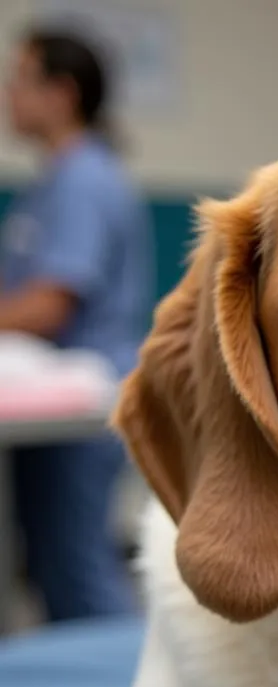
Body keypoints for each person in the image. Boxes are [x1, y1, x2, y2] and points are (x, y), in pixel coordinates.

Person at [0, 27, 152, 621]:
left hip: (83, 404)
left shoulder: (83, 178)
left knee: (77, 568)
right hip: (57, 406)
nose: (9, 94)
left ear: (62, 93)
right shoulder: (54, 181)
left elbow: (48, 305)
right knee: (52, 564)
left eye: (20, 80)